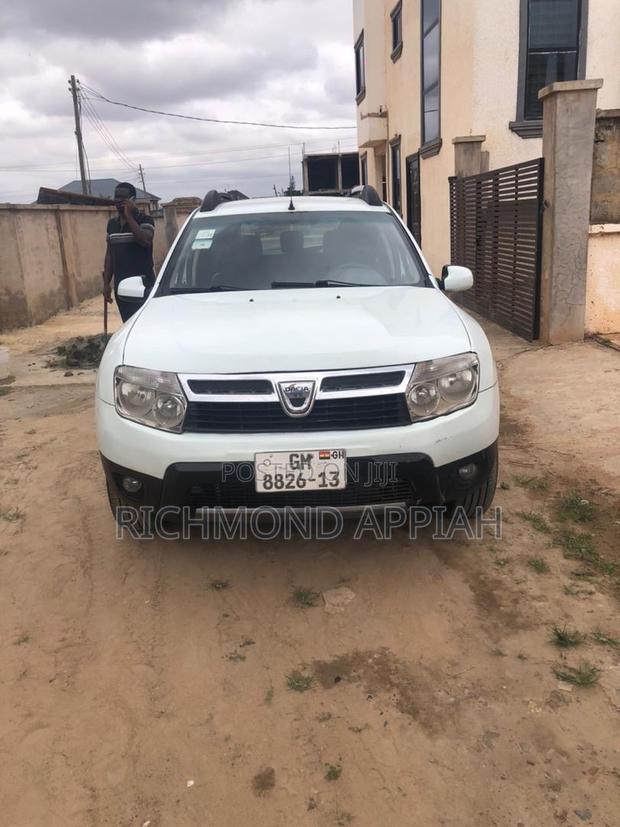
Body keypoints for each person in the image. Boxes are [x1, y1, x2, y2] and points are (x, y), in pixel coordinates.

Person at [103, 182, 155, 322]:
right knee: (128, 325)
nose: (118, 201)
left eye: (123, 198)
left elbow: (145, 241)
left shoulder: (145, 220)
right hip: (121, 287)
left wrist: (129, 217)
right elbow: (109, 255)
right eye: (116, 197)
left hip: (143, 286)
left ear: (133, 200)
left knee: (146, 325)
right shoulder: (112, 224)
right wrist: (106, 283)